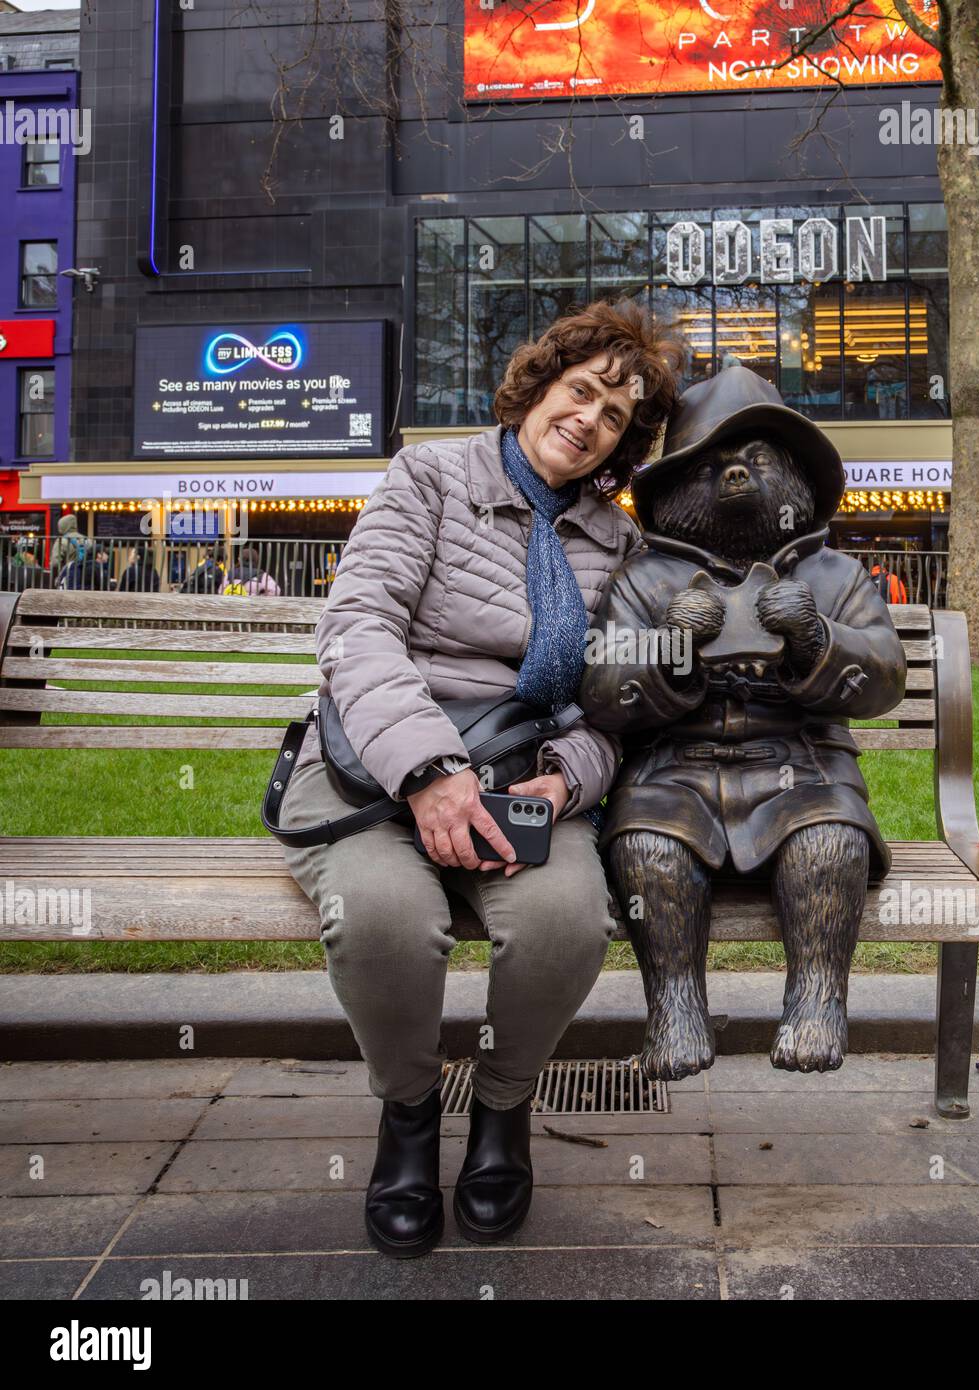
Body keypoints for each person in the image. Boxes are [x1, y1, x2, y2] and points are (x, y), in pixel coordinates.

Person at [273, 299, 685, 1258]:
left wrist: (568, 780)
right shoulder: (428, 476)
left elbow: (614, 708)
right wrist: (430, 769)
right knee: (380, 917)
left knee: (566, 920)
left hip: (521, 786)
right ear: (538, 385)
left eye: (614, 416)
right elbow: (357, 628)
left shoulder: (618, 547)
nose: (588, 419)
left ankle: (502, 1110)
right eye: (580, 391)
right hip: (377, 774)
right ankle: (409, 1115)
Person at [48, 513, 88, 583]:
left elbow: (55, 563)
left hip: (68, 579)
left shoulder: (61, 541)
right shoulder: (88, 540)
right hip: (86, 579)